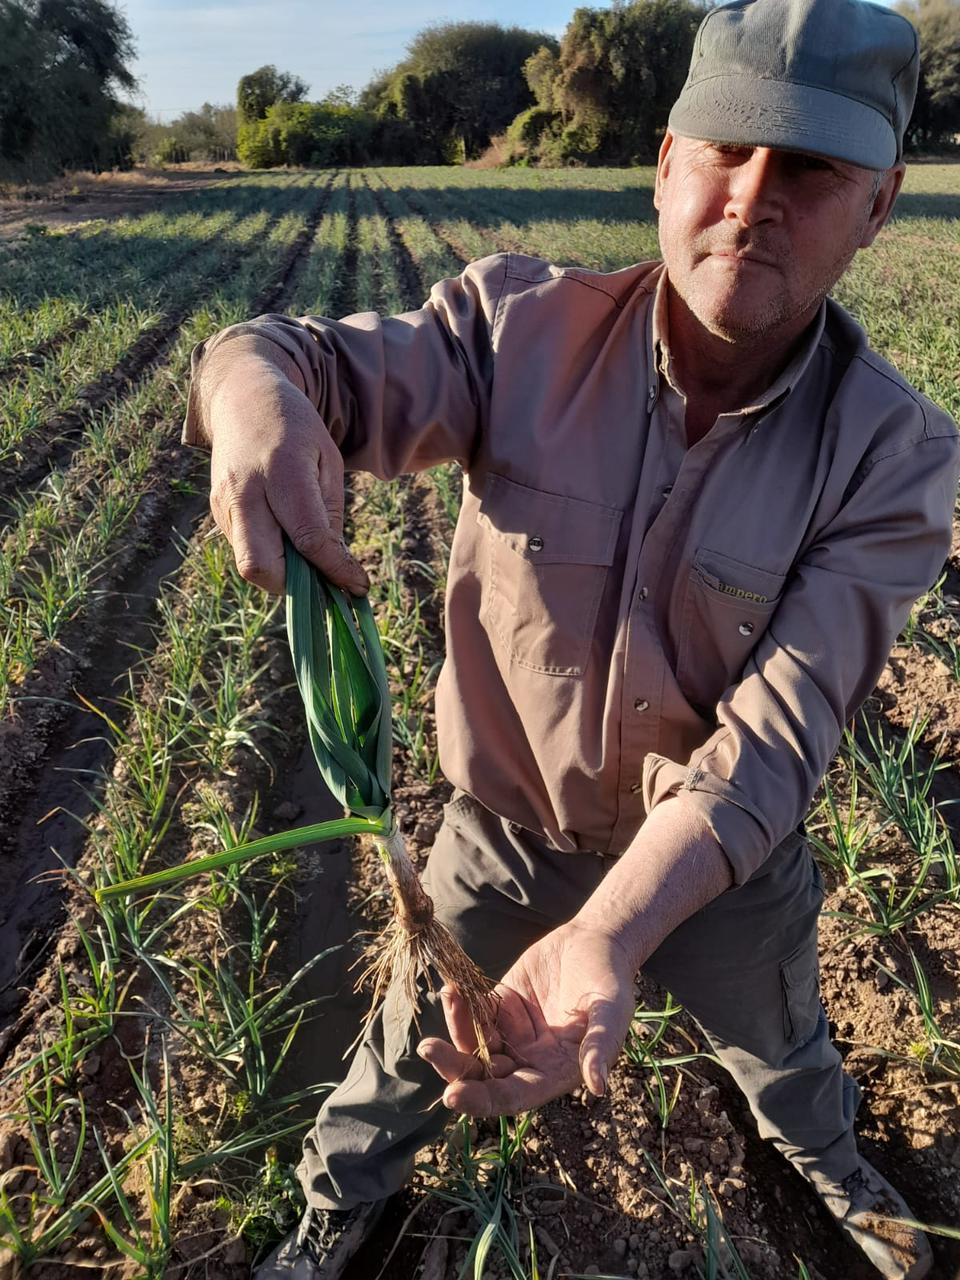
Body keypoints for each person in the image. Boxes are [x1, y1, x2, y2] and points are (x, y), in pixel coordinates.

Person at [182, 1, 959, 1276]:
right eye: (727, 148)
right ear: (665, 165)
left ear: (880, 204)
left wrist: (616, 925)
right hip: (501, 838)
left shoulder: (894, 455)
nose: (755, 197)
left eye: (813, 167)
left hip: (716, 862)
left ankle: (837, 1169)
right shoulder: (514, 332)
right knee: (404, 1050)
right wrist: (253, 392)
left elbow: (778, 735)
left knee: (786, 1047)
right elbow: (283, 358)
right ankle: (339, 1200)